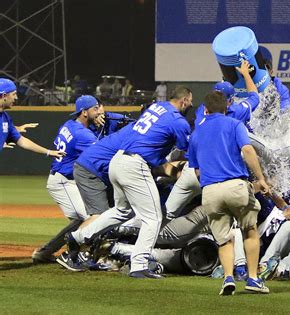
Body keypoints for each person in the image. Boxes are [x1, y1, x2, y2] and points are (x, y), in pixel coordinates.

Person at [62, 86, 193, 278]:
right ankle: (139, 265)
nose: (190, 104)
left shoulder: (157, 108)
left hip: (118, 160)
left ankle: (78, 237)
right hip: (134, 164)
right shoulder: (177, 121)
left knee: (121, 211)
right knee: (153, 218)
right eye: (189, 101)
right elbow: (188, 149)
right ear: (183, 101)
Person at [187, 90, 271, 295]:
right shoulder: (234, 124)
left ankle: (228, 278)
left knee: (223, 239)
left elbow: (196, 170)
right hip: (235, 186)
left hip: (210, 190)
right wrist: (260, 179)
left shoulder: (197, 132)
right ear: (226, 108)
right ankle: (252, 279)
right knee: (250, 231)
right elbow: (248, 150)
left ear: (205, 110)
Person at [165, 60, 260, 221]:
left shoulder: (202, 110)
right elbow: (254, 96)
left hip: (194, 172)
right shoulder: (235, 113)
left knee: (165, 214)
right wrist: (245, 74)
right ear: (229, 101)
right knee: (230, 221)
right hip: (220, 177)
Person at [32, 95, 100, 263]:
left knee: (81, 220)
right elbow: (101, 153)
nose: (99, 112)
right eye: (95, 109)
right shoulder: (83, 134)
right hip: (63, 181)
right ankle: (73, 255)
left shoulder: (69, 125)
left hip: (65, 179)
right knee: (92, 218)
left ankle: (44, 252)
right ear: (84, 112)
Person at [0, 78, 64, 157]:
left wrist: (48, 152)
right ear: (4, 96)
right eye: (14, 94)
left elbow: (22, 141)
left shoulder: (5, 117)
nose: (16, 98)